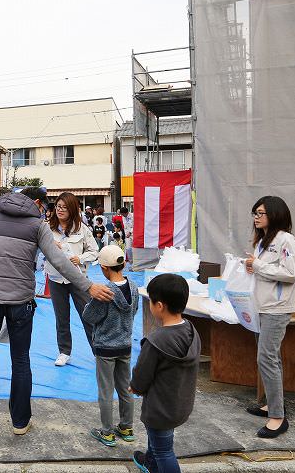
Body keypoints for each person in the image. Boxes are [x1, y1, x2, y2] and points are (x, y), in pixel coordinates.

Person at [0, 187, 114, 437]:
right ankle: (20, 423)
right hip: (21, 301)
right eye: (44, 205)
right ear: (35, 202)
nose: (45, 210)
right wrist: (88, 285)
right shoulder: (37, 224)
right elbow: (59, 260)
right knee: (21, 360)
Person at [130, 274, 201, 473]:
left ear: (159, 306)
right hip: (180, 403)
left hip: (160, 408)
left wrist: (135, 386)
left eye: (150, 301)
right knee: (158, 440)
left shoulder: (156, 340)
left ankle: (155, 461)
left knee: (164, 451)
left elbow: (142, 374)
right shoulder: (191, 330)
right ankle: (150, 463)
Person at [244, 196, 295, 438]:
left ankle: (278, 417)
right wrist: (252, 266)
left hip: (277, 309)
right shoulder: (263, 241)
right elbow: (265, 270)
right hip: (262, 307)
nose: (256, 217)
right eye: (255, 213)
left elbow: (291, 273)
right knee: (271, 359)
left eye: (261, 213)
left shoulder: (286, 240)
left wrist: (257, 266)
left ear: (275, 214)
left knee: (266, 359)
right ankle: (272, 405)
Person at [82, 245, 139, 447]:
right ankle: (127, 426)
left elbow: (89, 316)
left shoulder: (104, 292)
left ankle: (106, 432)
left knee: (106, 390)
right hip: (125, 345)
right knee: (125, 388)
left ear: (105, 268)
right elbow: (134, 311)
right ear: (123, 264)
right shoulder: (133, 287)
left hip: (106, 347)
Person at [44, 192, 99, 367]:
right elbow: (39, 250)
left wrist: (80, 258)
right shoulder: (47, 229)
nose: (60, 210)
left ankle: (97, 351)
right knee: (62, 317)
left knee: (88, 315)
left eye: (64, 207)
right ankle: (64, 352)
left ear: (73, 209)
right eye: (58, 207)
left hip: (78, 279)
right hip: (55, 278)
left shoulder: (82, 229)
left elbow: (94, 251)